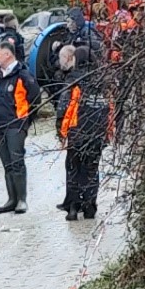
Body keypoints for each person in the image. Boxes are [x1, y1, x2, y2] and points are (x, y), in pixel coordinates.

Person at [57, 40, 111, 219]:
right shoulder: (103, 82)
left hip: (77, 132)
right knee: (91, 170)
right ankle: (90, 206)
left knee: (73, 169)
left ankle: (73, 207)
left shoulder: (74, 81)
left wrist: (61, 131)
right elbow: (110, 108)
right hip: (97, 132)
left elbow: (65, 107)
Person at [0, 38, 35, 213]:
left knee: (17, 161)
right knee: (6, 163)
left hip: (15, 125)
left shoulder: (22, 75)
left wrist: (24, 121)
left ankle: (22, 200)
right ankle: (11, 199)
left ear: (7, 54)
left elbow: (34, 98)